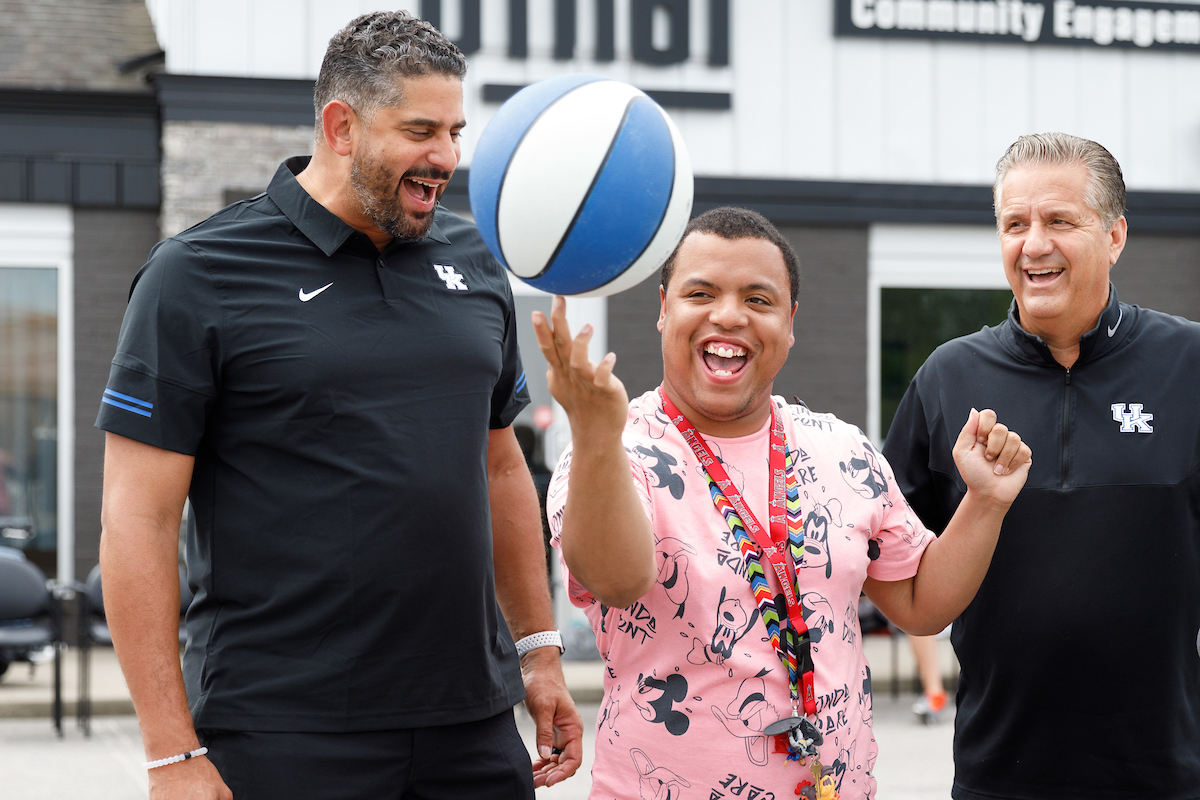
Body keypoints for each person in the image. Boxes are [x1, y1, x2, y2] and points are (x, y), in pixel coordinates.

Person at [96, 12, 581, 800]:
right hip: (284, 731)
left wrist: (539, 651)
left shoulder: (477, 262)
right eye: (421, 130)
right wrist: (169, 750)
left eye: (456, 131)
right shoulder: (197, 274)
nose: (446, 159)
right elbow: (135, 519)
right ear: (341, 126)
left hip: (472, 725)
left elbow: (499, 471)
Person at [533, 207, 1031, 799]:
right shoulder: (616, 451)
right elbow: (616, 580)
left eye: (758, 299)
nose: (728, 315)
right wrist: (592, 431)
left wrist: (986, 501)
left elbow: (922, 604)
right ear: (663, 308)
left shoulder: (842, 449)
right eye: (701, 293)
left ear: (790, 322)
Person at [883, 132, 1200, 799]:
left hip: (1166, 774)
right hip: (999, 774)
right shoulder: (948, 377)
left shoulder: (1188, 366)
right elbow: (890, 562)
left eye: (1060, 221)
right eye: (1015, 224)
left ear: (1114, 237)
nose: (1034, 244)